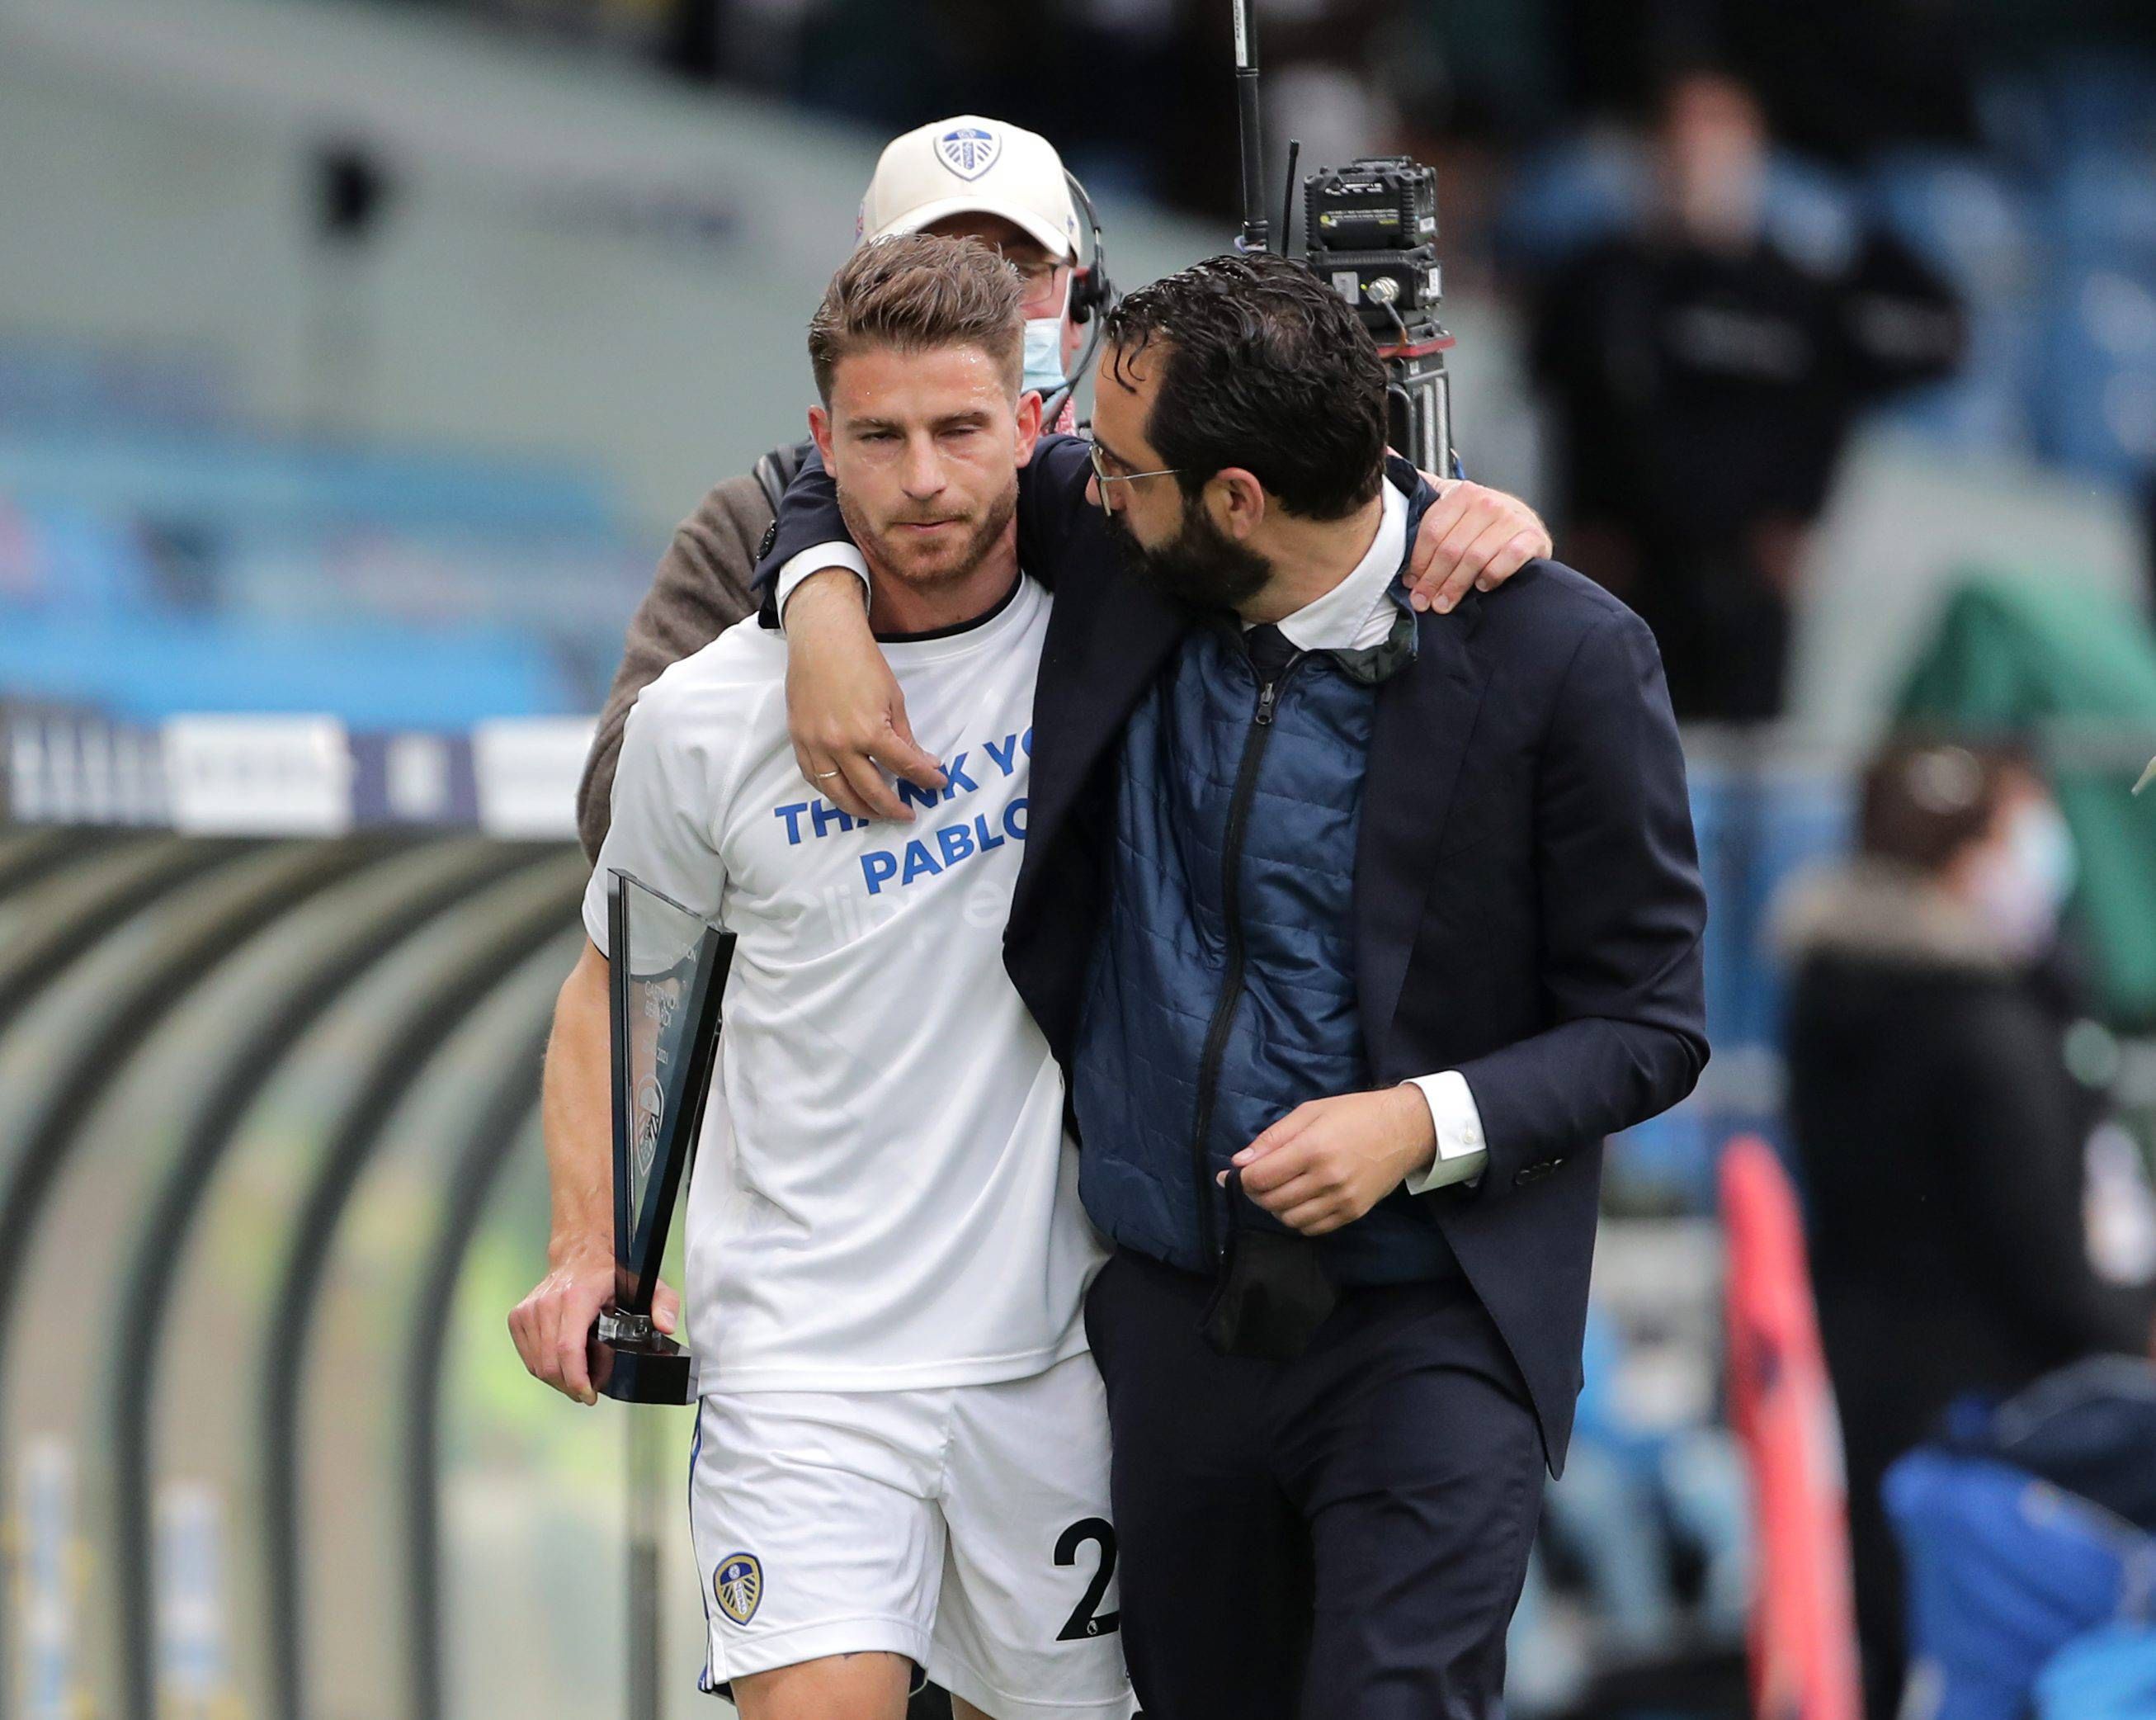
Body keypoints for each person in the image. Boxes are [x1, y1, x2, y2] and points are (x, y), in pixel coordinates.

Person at [764, 248, 1710, 1718]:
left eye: (1124, 469)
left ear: (1236, 502)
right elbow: (860, 454)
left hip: (1431, 1326)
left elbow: (1649, 1024)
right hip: (1170, 1325)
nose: (1081, 483)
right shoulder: (1128, 550)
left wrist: (1417, 1119)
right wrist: (819, 597)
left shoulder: (1562, 654)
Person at [515, 237, 1128, 1720]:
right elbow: (612, 985)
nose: (921, 475)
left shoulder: (1109, 653)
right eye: (880, 435)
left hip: (1053, 1357)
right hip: (797, 1360)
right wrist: (588, 1241)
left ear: (1029, 423)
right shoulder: (701, 722)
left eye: (958, 429)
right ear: (819, 445)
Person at [575, 111, 1553, 860]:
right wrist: (812, 623)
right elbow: (617, 811)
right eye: (937, 261)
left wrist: (1445, 510)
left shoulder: (1155, 505)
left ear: (1082, 302)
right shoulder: (750, 516)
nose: (983, 298)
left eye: (1021, 267)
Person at [1779, 739, 2156, 1720]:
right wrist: (2138, 1327)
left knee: (1899, 1646)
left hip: (1871, 1375)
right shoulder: (1988, 1030)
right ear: (1970, 855)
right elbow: (2045, 1259)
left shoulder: (1829, 990)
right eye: (2014, 826)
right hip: (2001, 1410)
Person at [1527, 68, 1961, 723]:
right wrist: (1579, 520)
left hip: (1748, 583)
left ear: (1753, 156)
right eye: (1680, 138)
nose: (1695, 159)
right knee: (1621, 753)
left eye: (1716, 139)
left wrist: (1802, 519)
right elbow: (1563, 405)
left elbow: (1837, 404)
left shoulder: (1796, 290)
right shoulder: (1597, 281)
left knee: (1752, 769)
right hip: (1625, 571)